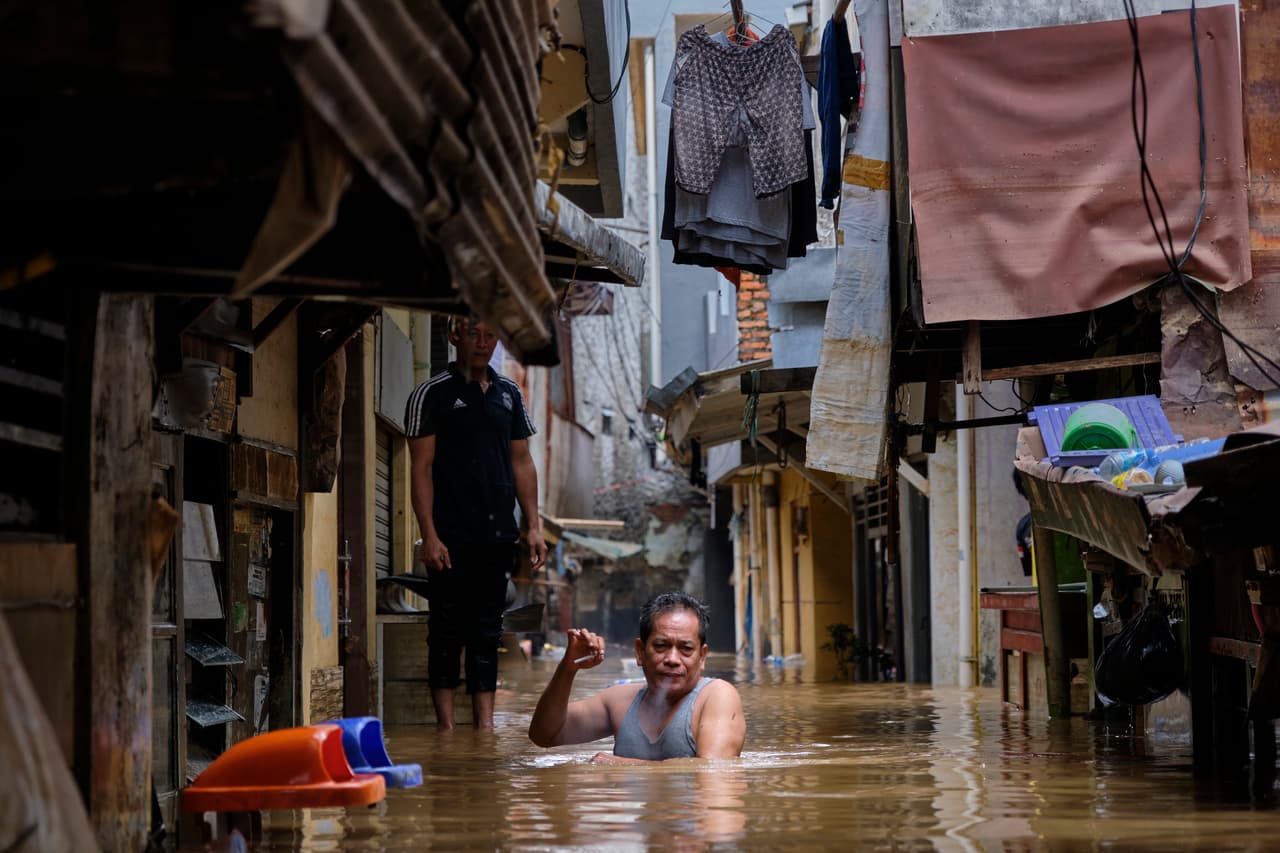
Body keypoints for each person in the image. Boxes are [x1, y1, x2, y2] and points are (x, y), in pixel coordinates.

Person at [404, 316, 547, 730]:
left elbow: (523, 462)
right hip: (448, 535)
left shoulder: (508, 394)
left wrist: (533, 526)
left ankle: (484, 728)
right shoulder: (431, 394)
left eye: (490, 335)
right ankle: (446, 729)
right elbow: (422, 470)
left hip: (498, 534)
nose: (482, 343)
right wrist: (429, 534)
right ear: (453, 337)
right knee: (446, 629)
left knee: (487, 630)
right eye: (472, 334)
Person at [528, 592, 745, 763]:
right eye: (661, 646)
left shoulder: (716, 696)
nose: (672, 658)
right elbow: (544, 735)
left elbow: (713, 772)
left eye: (686, 649)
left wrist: (623, 766)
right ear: (640, 652)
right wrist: (567, 668)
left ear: (702, 657)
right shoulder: (619, 702)